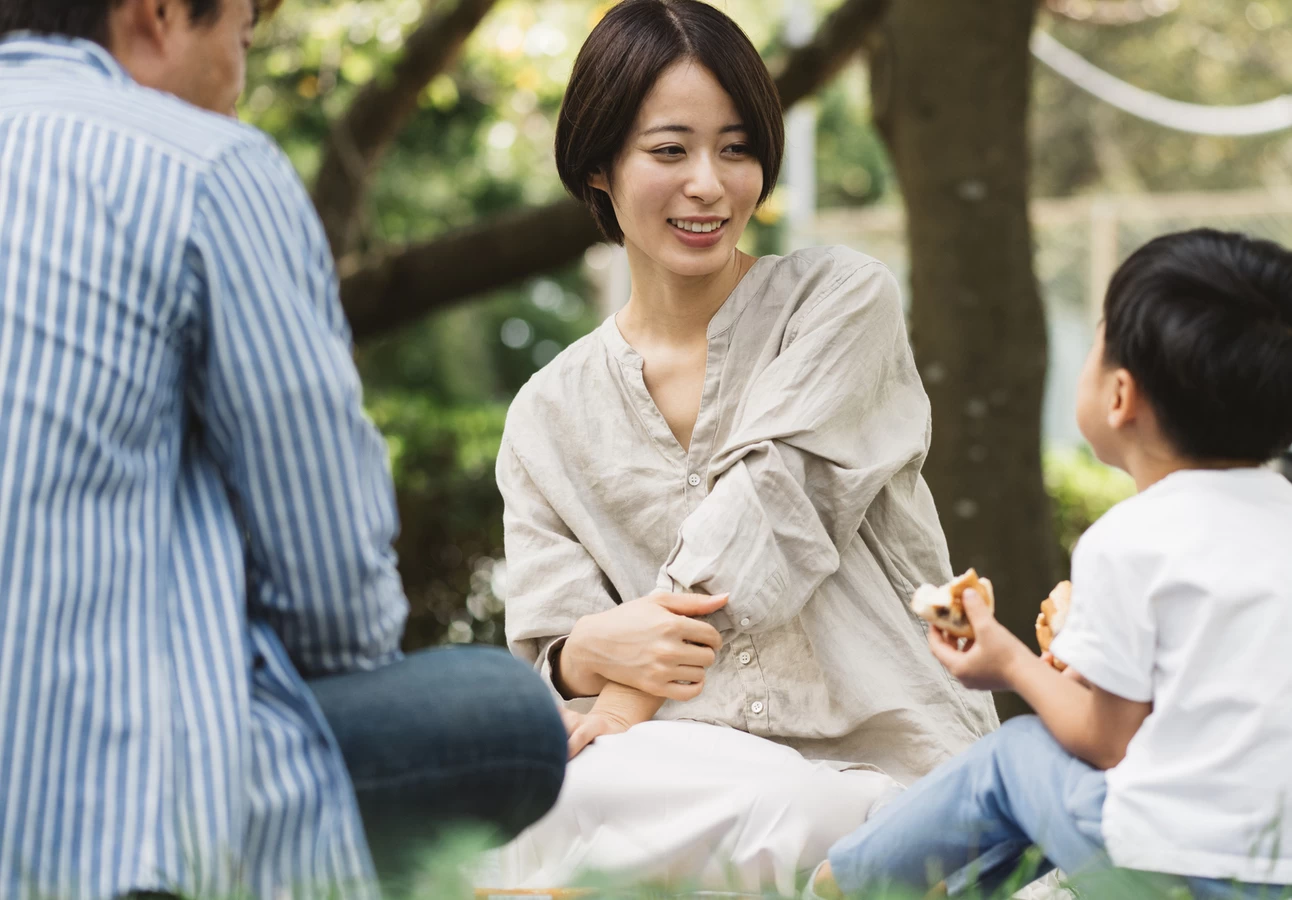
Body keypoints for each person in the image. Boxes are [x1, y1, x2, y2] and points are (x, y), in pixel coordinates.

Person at [0, 2, 565, 897]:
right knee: (503, 715)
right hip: (100, 822)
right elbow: (335, 603)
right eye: (242, 41)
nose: (238, 82)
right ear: (155, 16)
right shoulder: (201, 166)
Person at [484, 0, 997, 893]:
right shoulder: (546, 414)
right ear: (599, 164)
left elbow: (776, 507)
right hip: (675, 777)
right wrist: (581, 654)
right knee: (531, 802)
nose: (710, 186)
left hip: (885, 766)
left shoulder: (840, 300)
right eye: (670, 150)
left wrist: (627, 683)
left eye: (736, 148)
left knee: (778, 814)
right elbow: (550, 662)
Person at [814, 229, 1292, 900]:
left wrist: (1008, 661)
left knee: (1015, 761)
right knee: (1065, 799)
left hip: (1190, 873)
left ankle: (840, 883)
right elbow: (1203, 717)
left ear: (1120, 395)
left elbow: (1105, 743)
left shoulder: (1132, 538)